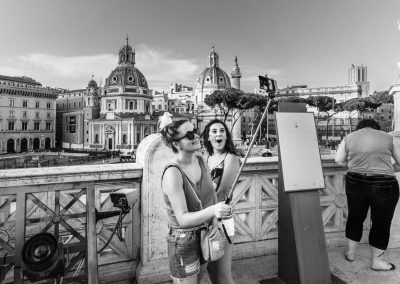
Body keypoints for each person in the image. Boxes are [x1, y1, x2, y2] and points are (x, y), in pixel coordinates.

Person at [159, 113, 233, 284]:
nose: (197, 136)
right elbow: (183, 219)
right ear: (177, 144)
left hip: (205, 233)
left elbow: (211, 197)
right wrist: (213, 211)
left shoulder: (200, 160)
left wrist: (215, 221)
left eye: (196, 131)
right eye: (190, 135)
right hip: (183, 240)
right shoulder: (173, 173)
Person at [335, 118, 400, 271]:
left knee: (355, 217)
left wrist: (352, 165)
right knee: (381, 222)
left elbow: (338, 160)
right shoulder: (388, 137)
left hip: (355, 181)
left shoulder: (349, 137)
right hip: (384, 184)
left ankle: (350, 253)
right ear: (376, 128)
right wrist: (389, 167)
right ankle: (377, 261)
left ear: (360, 128)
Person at [203, 119, 240, 284]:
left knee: (223, 274)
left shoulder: (231, 157)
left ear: (226, 136)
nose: (218, 134)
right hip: (206, 218)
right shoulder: (205, 157)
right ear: (208, 137)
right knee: (210, 268)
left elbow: (221, 192)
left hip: (221, 219)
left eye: (222, 131)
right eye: (214, 131)